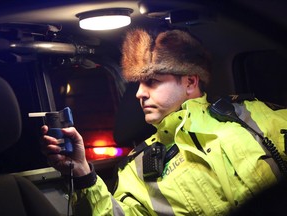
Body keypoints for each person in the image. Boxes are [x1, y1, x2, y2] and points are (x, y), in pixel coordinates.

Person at [41, 27, 287, 215]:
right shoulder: (137, 170)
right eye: (138, 83)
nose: (139, 93)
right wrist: (83, 173)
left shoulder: (252, 116)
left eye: (152, 81)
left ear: (190, 82)